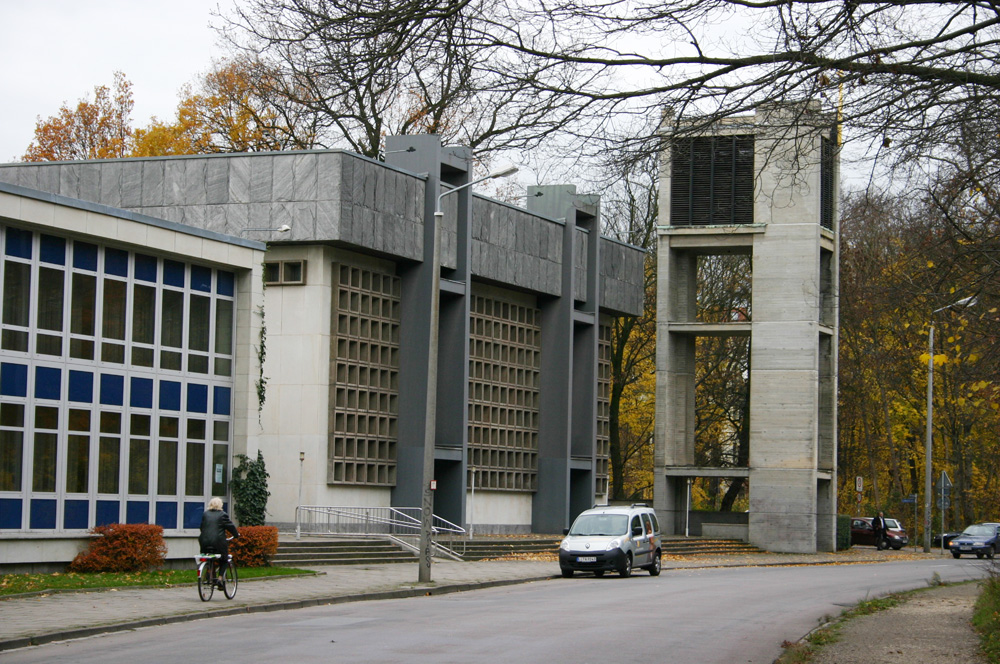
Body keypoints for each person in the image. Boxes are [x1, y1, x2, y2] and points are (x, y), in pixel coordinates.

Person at [199, 497, 239, 584]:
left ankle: (209, 575)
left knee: (209, 557)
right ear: (220, 505)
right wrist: (236, 535)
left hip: (204, 542)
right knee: (224, 559)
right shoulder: (222, 514)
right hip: (218, 542)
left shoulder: (205, 514)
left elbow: (202, 527)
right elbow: (230, 526)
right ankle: (220, 579)